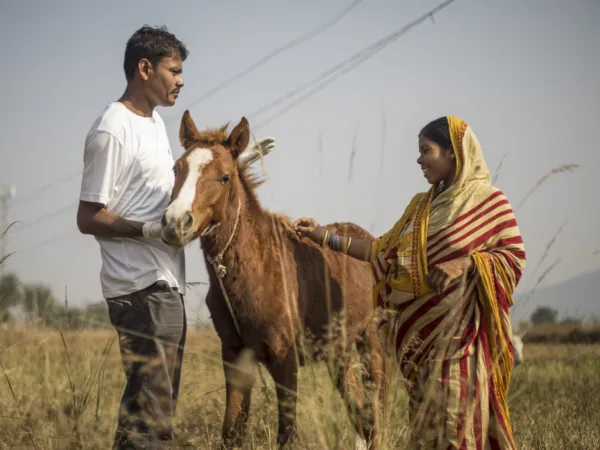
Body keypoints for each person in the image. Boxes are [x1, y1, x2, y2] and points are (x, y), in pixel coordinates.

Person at [77, 25, 274, 449]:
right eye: (175, 70)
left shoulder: (152, 125)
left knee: (151, 410)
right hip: (139, 288)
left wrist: (230, 168)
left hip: (163, 284)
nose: (181, 81)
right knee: (151, 419)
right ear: (145, 69)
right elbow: (87, 216)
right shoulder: (112, 129)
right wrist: (147, 229)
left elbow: (176, 191)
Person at [293, 116, 526, 449]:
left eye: (425, 151)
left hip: (461, 344)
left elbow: (513, 256)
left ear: (453, 152)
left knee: (456, 429)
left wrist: (467, 263)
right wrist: (322, 236)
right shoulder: (420, 209)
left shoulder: (490, 204)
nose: (418, 160)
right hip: (418, 352)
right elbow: (379, 250)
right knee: (426, 434)